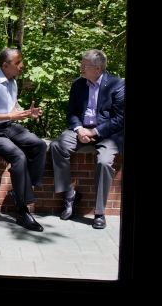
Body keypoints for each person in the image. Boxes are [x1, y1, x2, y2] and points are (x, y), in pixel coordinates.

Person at [0, 47, 47, 232]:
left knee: (39, 145)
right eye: (18, 63)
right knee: (18, 156)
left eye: (21, 61)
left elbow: (11, 109)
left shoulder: (12, 82)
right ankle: (23, 211)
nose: (22, 66)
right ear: (5, 65)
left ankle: (19, 190)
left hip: (7, 126)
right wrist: (11, 116)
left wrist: (27, 113)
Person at [49, 49, 124, 229]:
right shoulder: (78, 84)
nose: (81, 68)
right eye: (81, 64)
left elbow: (119, 119)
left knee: (105, 162)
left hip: (108, 135)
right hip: (81, 129)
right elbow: (72, 113)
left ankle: (99, 213)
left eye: (85, 65)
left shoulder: (117, 84)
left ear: (98, 68)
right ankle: (69, 195)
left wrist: (94, 132)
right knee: (57, 146)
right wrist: (80, 129)